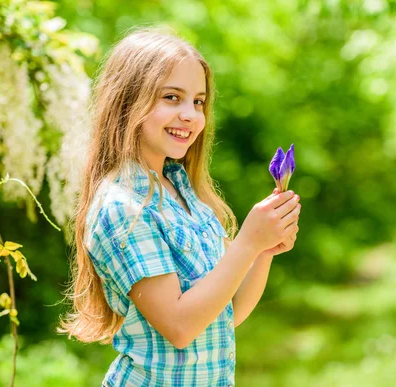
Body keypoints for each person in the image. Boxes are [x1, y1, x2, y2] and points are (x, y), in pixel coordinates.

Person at [59, 27, 301, 387]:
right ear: (128, 102)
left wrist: (263, 250)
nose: (190, 114)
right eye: (172, 97)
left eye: (198, 101)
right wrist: (248, 242)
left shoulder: (184, 193)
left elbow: (224, 313)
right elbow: (180, 326)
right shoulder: (123, 206)